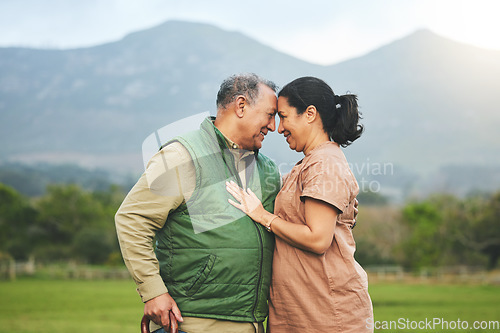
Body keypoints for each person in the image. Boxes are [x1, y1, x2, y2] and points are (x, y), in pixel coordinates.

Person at [115, 73, 281, 333]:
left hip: (255, 324)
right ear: (240, 106)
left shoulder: (269, 170)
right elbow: (132, 219)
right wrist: (153, 292)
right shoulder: (183, 155)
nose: (273, 127)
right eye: (270, 115)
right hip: (192, 324)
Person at [226, 76, 374, 332]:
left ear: (310, 114)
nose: (279, 128)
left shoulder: (323, 164)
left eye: (283, 116)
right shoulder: (309, 164)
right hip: (305, 311)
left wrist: (263, 217)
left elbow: (318, 239)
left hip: (326, 315)